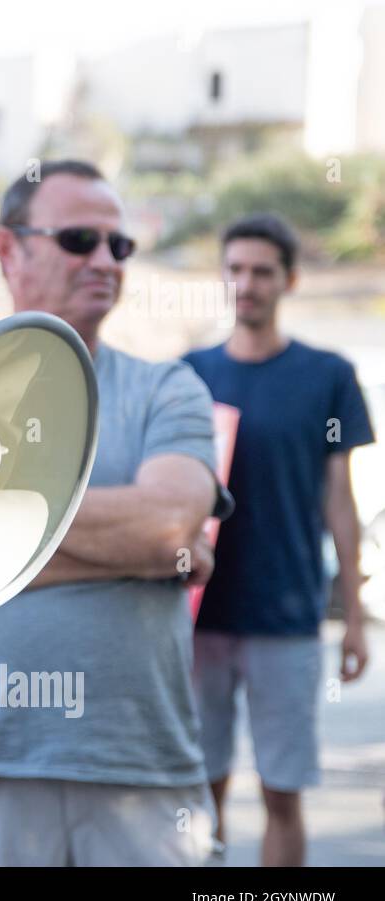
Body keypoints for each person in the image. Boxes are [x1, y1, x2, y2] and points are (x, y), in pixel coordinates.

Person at [0, 159, 224, 866]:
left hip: (141, 771)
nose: (106, 261)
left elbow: (168, 527)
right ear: (7, 248)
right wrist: (139, 559)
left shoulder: (166, 388)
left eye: (121, 245)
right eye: (81, 239)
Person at [184, 213, 375, 866]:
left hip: (288, 617)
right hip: (200, 620)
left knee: (282, 792)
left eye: (262, 271)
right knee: (199, 788)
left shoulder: (328, 376)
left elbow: (339, 503)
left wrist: (352, 618)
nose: (247, 284)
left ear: (288, 279)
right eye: (235, 269)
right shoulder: (189, 375)